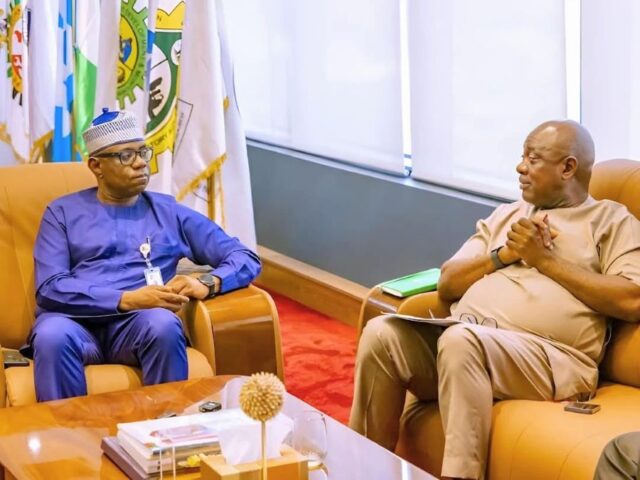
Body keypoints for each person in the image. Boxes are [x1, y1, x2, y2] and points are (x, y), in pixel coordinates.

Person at [349, 120, 640, 480]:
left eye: (533, 159)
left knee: (461, 341)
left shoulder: (610, 221)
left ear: (568, 168)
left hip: (553, 358)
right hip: (467, 339)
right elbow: (448, 282)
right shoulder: (508, 214)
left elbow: (631, 299)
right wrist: (504, 255)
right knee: (382, 334)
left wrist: (544, 260)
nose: (521, 167)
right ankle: (361, 470)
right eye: (522, 157)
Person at [26, 108, 261, 402]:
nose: (140, 163)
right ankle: (66, 432)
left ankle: (165, 426)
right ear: (96, 166)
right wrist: (126, 299)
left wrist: (208, 282)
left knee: (163, 325)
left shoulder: (168, 212)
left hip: (138, 326)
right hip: (75, 323)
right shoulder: (62, 213)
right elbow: (50, 288)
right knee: (51, 336)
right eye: (126, 156)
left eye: (143, 152)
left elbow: (243, 256)